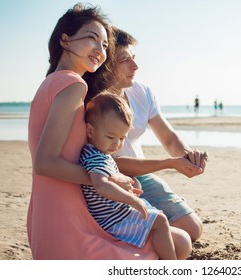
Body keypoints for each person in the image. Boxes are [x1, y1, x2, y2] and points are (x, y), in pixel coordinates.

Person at [27, 3, 159, 260]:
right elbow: (43, 162)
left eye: (105, 45)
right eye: (91, 39)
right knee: (169, 247)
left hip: (47, 213)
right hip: (66, 218)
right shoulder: (73, 85)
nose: (100, 51)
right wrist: (107, 179)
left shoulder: (50, 82)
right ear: (65, 40)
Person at [85, 27, 208, 243]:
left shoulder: (142, 92)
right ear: (106, 64)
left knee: (193, 229)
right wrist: (170, 163)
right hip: (112, 180)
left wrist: (188, 157)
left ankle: (157, 232)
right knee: (176, 237)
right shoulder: (93, 103)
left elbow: (168, 137)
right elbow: (110, 163)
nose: (135, 66)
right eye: (125, 60)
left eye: (134, 58)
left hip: (142, 174)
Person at [81, 93, 186, 259]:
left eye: (122, 138)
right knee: (160, 221)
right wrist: (131, 200)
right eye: (110, 137)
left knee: (157, 217)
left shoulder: (97, 152)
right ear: (90, 130)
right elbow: (101, 185)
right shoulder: (96, 158)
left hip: (116, 213)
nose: (116, 144)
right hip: (114, 219)